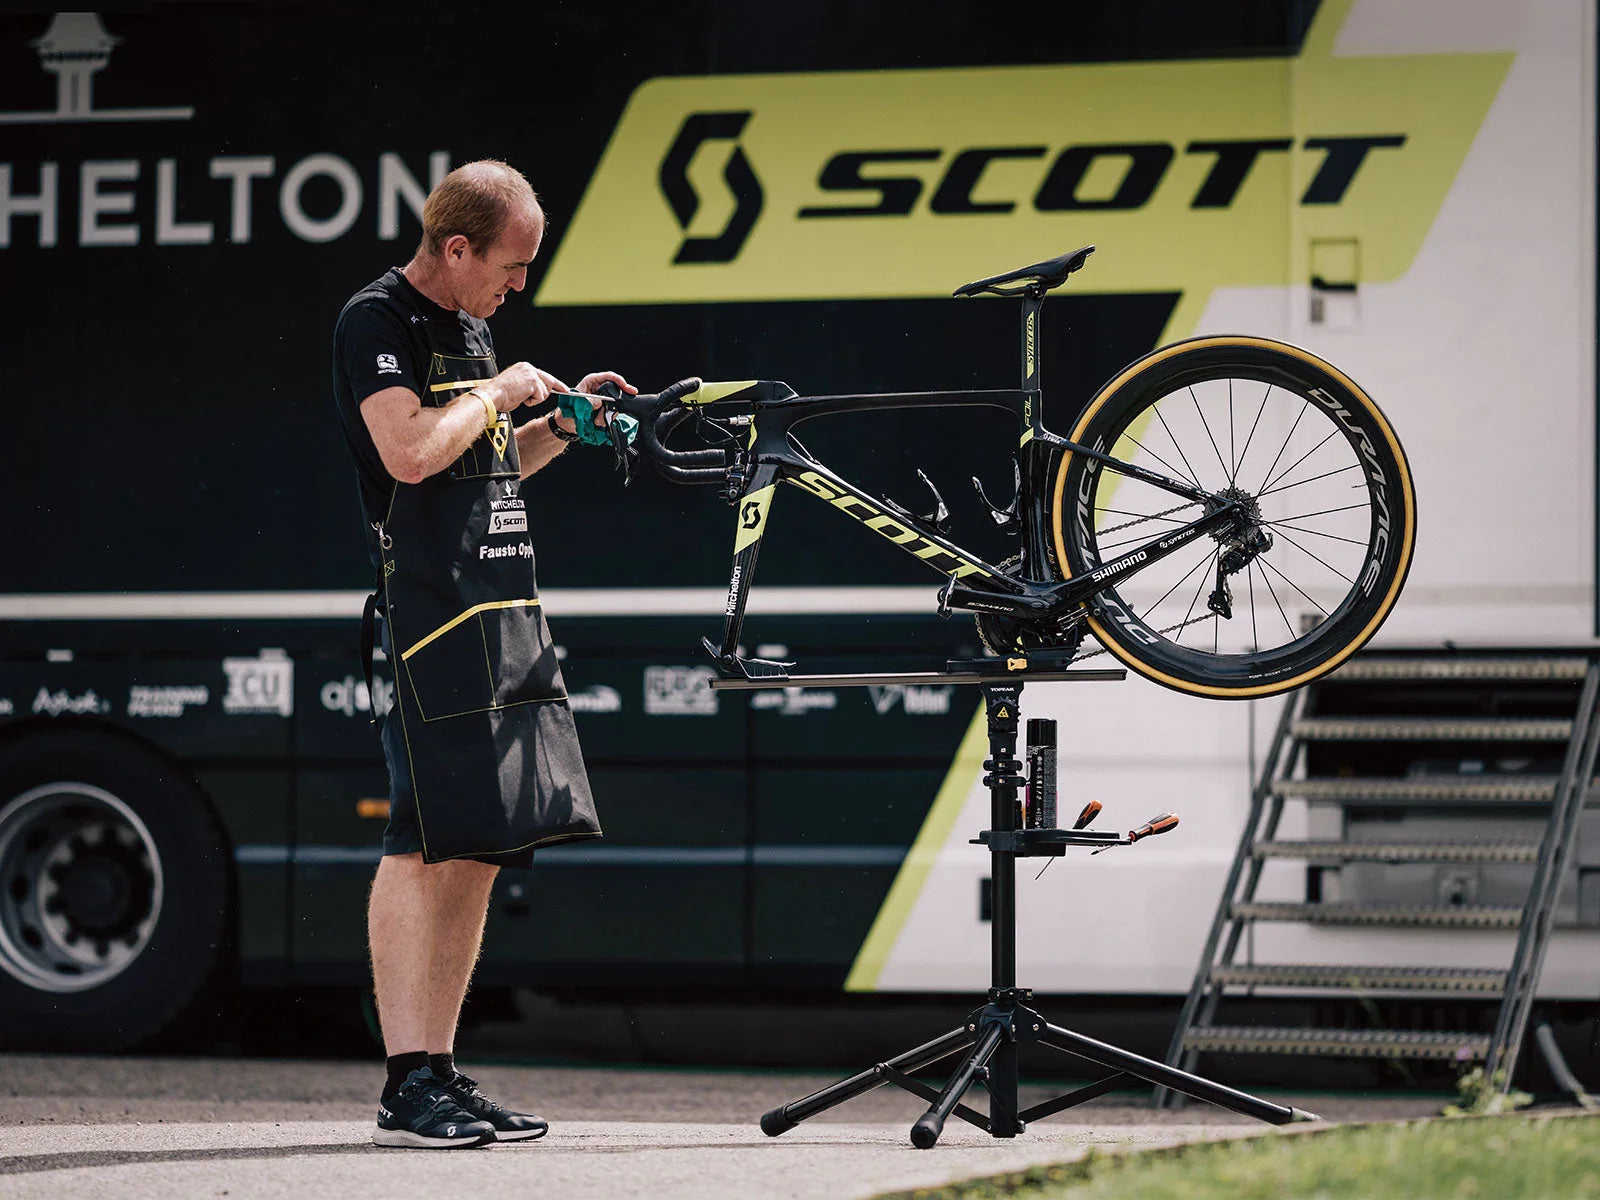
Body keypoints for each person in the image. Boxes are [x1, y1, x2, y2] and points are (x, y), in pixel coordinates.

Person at [331, 160, 627, 1149]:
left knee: (480, 847)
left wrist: (558, 424)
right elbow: (410, 453)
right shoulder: (375, 321)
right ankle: (403, 1083)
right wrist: (500, 390)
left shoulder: (471, 323)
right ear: (454, 248)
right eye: (511, 263)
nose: (520, 284)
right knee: (419, 843)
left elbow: (485, 464)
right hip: (427, 623)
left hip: (500, 613)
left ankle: (441, 1073)